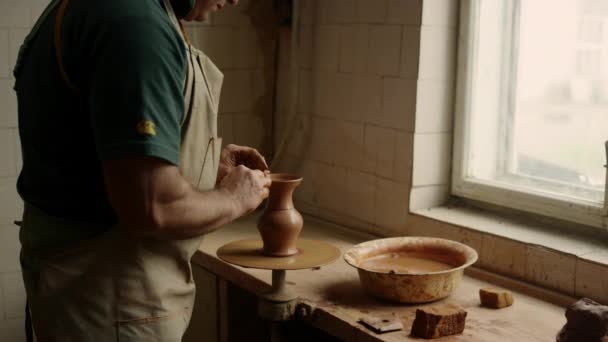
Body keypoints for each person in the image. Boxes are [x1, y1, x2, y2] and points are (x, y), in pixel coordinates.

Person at [13, 0, 271, 340]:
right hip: (111, 301)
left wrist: (204, 167)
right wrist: (234, 199)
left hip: (80, 290)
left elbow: (101, 157)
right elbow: (153, 207)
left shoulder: (101, 11)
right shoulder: (135, 23)